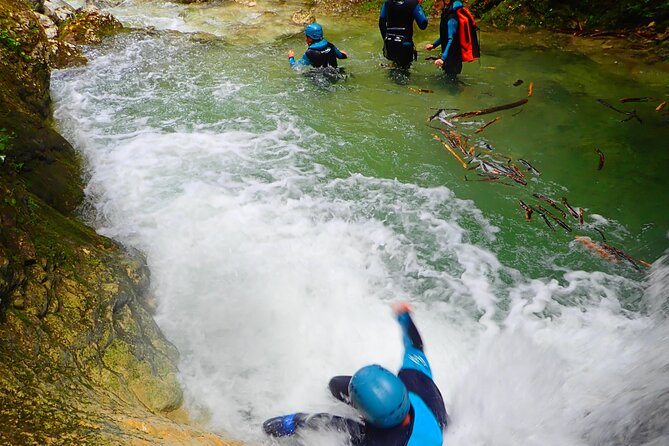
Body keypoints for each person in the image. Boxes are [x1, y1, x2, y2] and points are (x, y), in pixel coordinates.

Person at [262, 302, 448, 446]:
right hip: (430, 419)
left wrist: (289, 422)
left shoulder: (370, 441)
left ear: (366, 419)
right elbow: (415, 346)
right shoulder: (417, 382)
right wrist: (404, 315)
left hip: (394, 437)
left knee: (319, 418)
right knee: (337, 385)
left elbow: (319, 422)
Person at [379, 0, 429, 70]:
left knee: (394, 68)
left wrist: (386, 40)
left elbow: (381, 23)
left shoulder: (387, 2)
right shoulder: (413, 3)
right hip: (405, 45)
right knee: (405, 70)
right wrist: (418, 7)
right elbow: (423, 24)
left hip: (389, 43)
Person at [425, 0, 464, 80]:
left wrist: (443, 58)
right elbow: (444, 36)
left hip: (453, 60)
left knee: (452, 80)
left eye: (438, 0)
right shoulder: (446, 13)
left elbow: (451, 39)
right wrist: (434, 45)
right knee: (448, 78)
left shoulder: (452, 17)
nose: (435, 2)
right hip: (448, 58)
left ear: (446, 1)